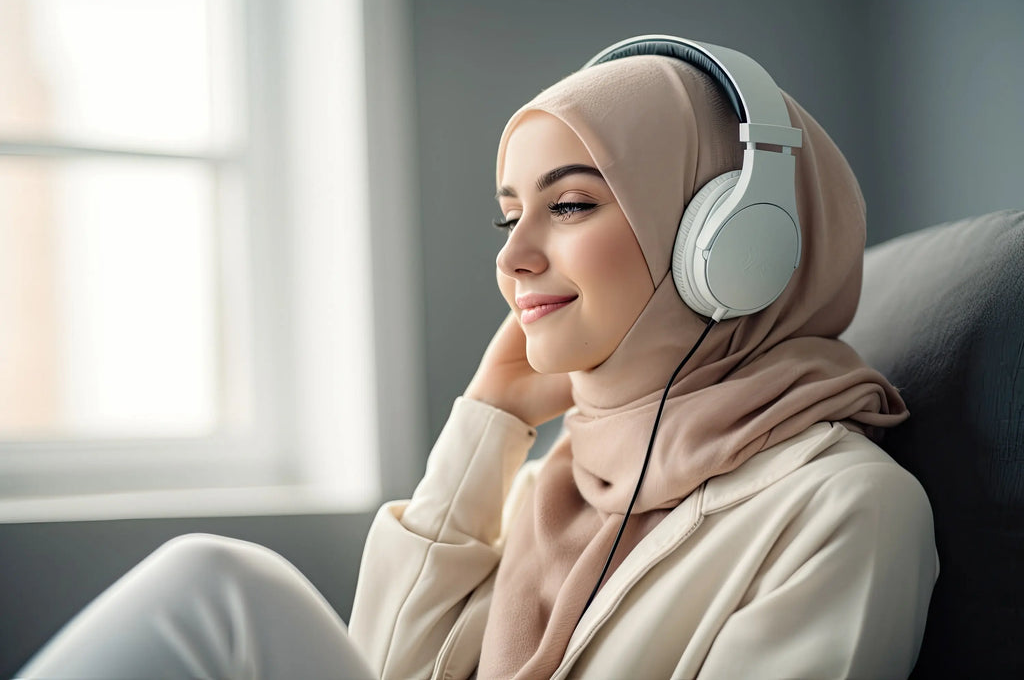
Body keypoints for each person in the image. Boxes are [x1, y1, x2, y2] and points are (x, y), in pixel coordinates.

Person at [18, 38, 937, 679]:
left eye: (571, 205)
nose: (512, 257)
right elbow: (382, 668)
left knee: (219, 590)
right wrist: (488, 421)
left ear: (735, 246)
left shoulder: (842, 508)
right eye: (511, 214)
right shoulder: (560, 482)